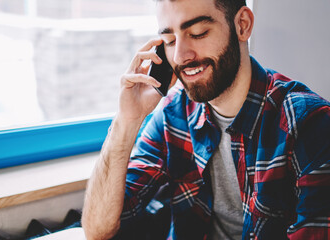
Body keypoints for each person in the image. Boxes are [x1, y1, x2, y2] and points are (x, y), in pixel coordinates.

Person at [81, 0, 330, 239]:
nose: (180, 56)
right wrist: (127, 121)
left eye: (198, 32)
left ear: (242, 25)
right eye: (169, 40)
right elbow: (98, 230)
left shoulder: (310, 124)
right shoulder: (173, 114)